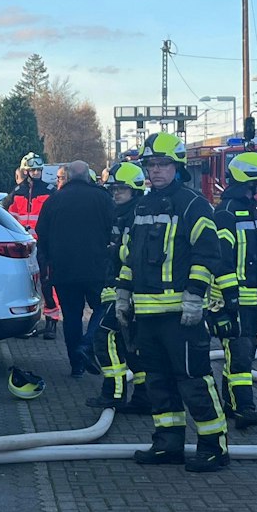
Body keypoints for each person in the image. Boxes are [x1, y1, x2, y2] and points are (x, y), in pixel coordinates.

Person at [118, 132, 232, 472]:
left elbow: (207, 253)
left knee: (194, 381)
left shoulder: (193, 204)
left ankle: (214, 446)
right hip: (147, 313)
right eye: (150, 165)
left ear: (177, 166)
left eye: (162, 164)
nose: (155, 171)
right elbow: (129, 256)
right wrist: (123, 294)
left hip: (181, 315)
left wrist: (195, 297)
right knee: (157, 382)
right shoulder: (141, 206)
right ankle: (168, 443)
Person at [212, 152, 257, 430]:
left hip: (251, 300)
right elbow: (221, 260)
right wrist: (229, 297)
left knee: (243, 351)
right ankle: (244, 408)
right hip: (233, 301)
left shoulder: (248, 212)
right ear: (247, 182)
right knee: (239, 353)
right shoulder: (226, 214)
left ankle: (230, 403)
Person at [33, 161, 114, 378]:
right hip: (96, 269)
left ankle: (76, 365)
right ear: (88, 176)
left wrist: (48, 263)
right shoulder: (103, 198)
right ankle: (88, 345)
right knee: (102, 309)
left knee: (71, 317)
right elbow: (113, 231)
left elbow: (42, 235)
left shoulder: (53, 201)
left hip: (63, 270)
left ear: (67, 177)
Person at [87, 163, 147, 410]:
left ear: (135, 190)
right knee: (130, 346)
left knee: (104, 336)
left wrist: (114, 252)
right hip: (118, 287)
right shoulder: (122, 214)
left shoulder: (136, 216)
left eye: (121, 189)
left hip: (130, 290)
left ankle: (113, 393)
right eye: (114, 189)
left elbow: (133, 256)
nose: (116, 194)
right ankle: (144, 397)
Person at [5, 154, 55, 338]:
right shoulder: (17, 192)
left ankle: (52, 322)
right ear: (25, 171)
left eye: (39, 170)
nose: (37, 173)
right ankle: (28, 324)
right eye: (33, 170)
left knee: (48, 284)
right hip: (23, 248)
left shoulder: (50, 191)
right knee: (26, 285)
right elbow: (7, 216)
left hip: (43, 245)